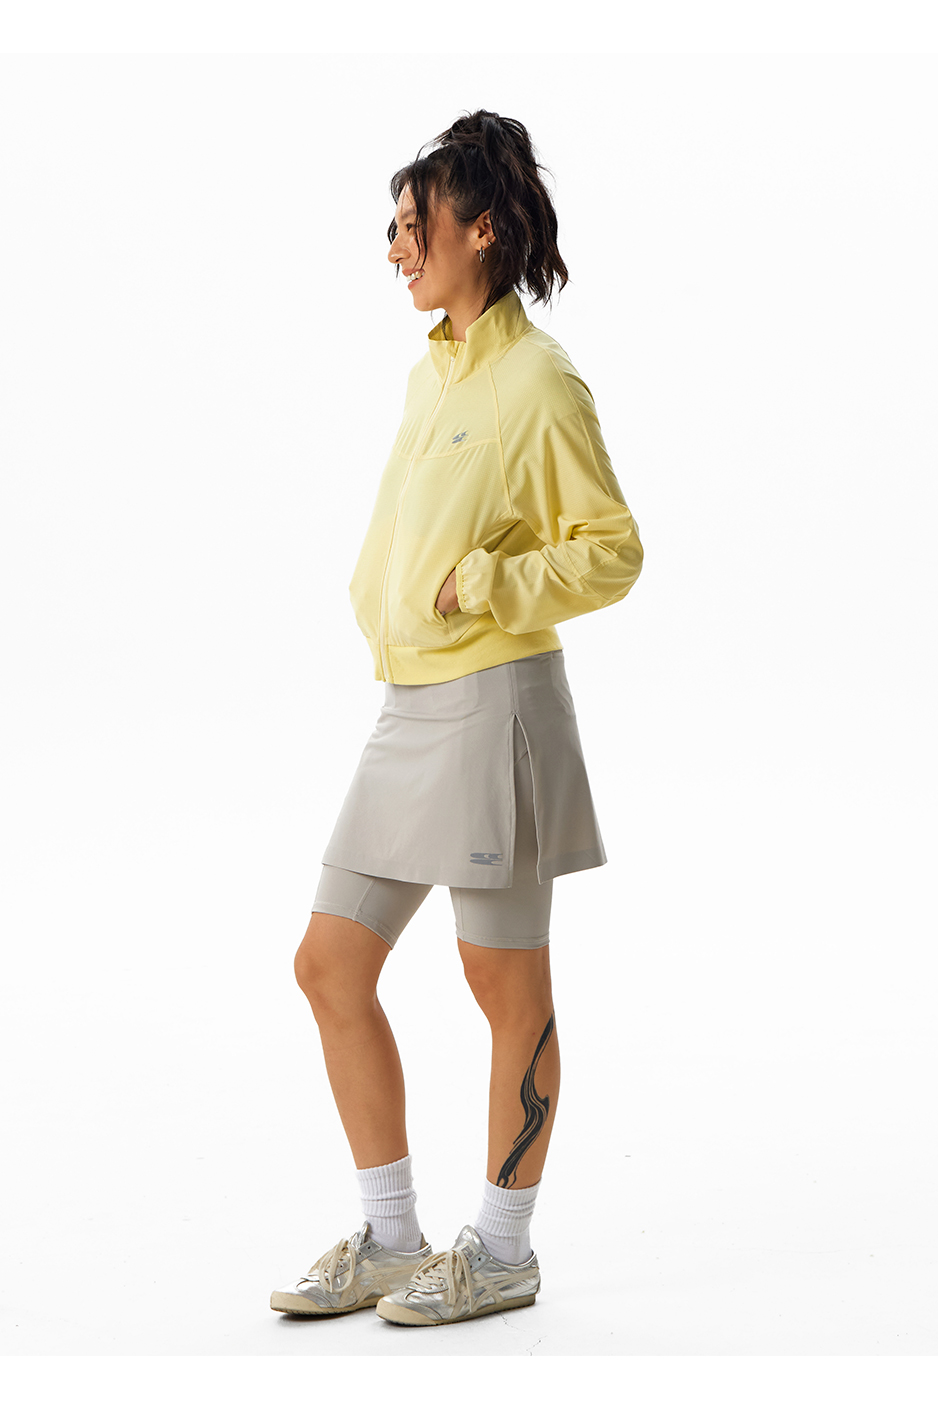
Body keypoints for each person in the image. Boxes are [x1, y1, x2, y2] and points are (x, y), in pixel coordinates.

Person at [270, 109, 643, 1328]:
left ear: (481, 228)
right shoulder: (431, 370)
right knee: (328, 963)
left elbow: (611, 549)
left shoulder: (537, 380)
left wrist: (485, 582)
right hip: (408, 708)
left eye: (410, 225)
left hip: (494, 712)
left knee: (502, 984)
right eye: (389, 228)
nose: (393, 248)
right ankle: (390, 1240)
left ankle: (502, 1249)